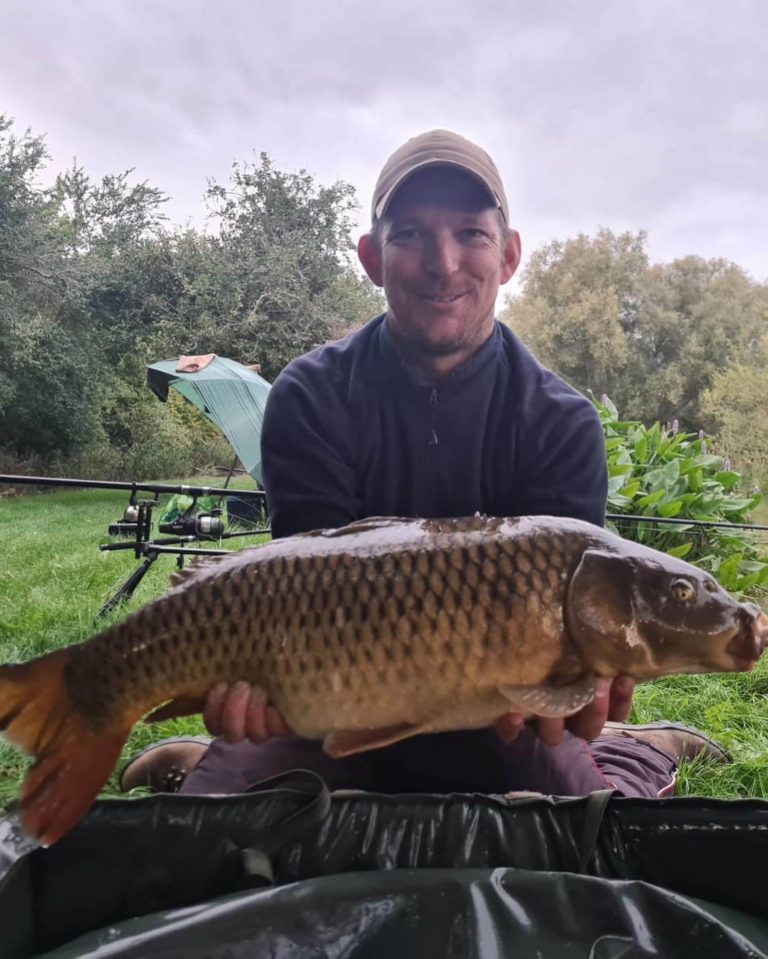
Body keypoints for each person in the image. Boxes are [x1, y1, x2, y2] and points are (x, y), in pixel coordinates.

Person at [122, 130, 729, 798]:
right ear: (372, 258)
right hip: (338, 699)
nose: (444, 263)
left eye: (471, 233)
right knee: (225, 820)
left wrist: (582, 687)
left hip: (503, 717)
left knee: (592, 828)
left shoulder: (561, 421)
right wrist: (256, 691)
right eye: (410, 234)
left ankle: (638, 750)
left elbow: (571, 656)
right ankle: (205, 756)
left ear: (509, 254)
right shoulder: (310, 396)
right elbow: (295, 594)